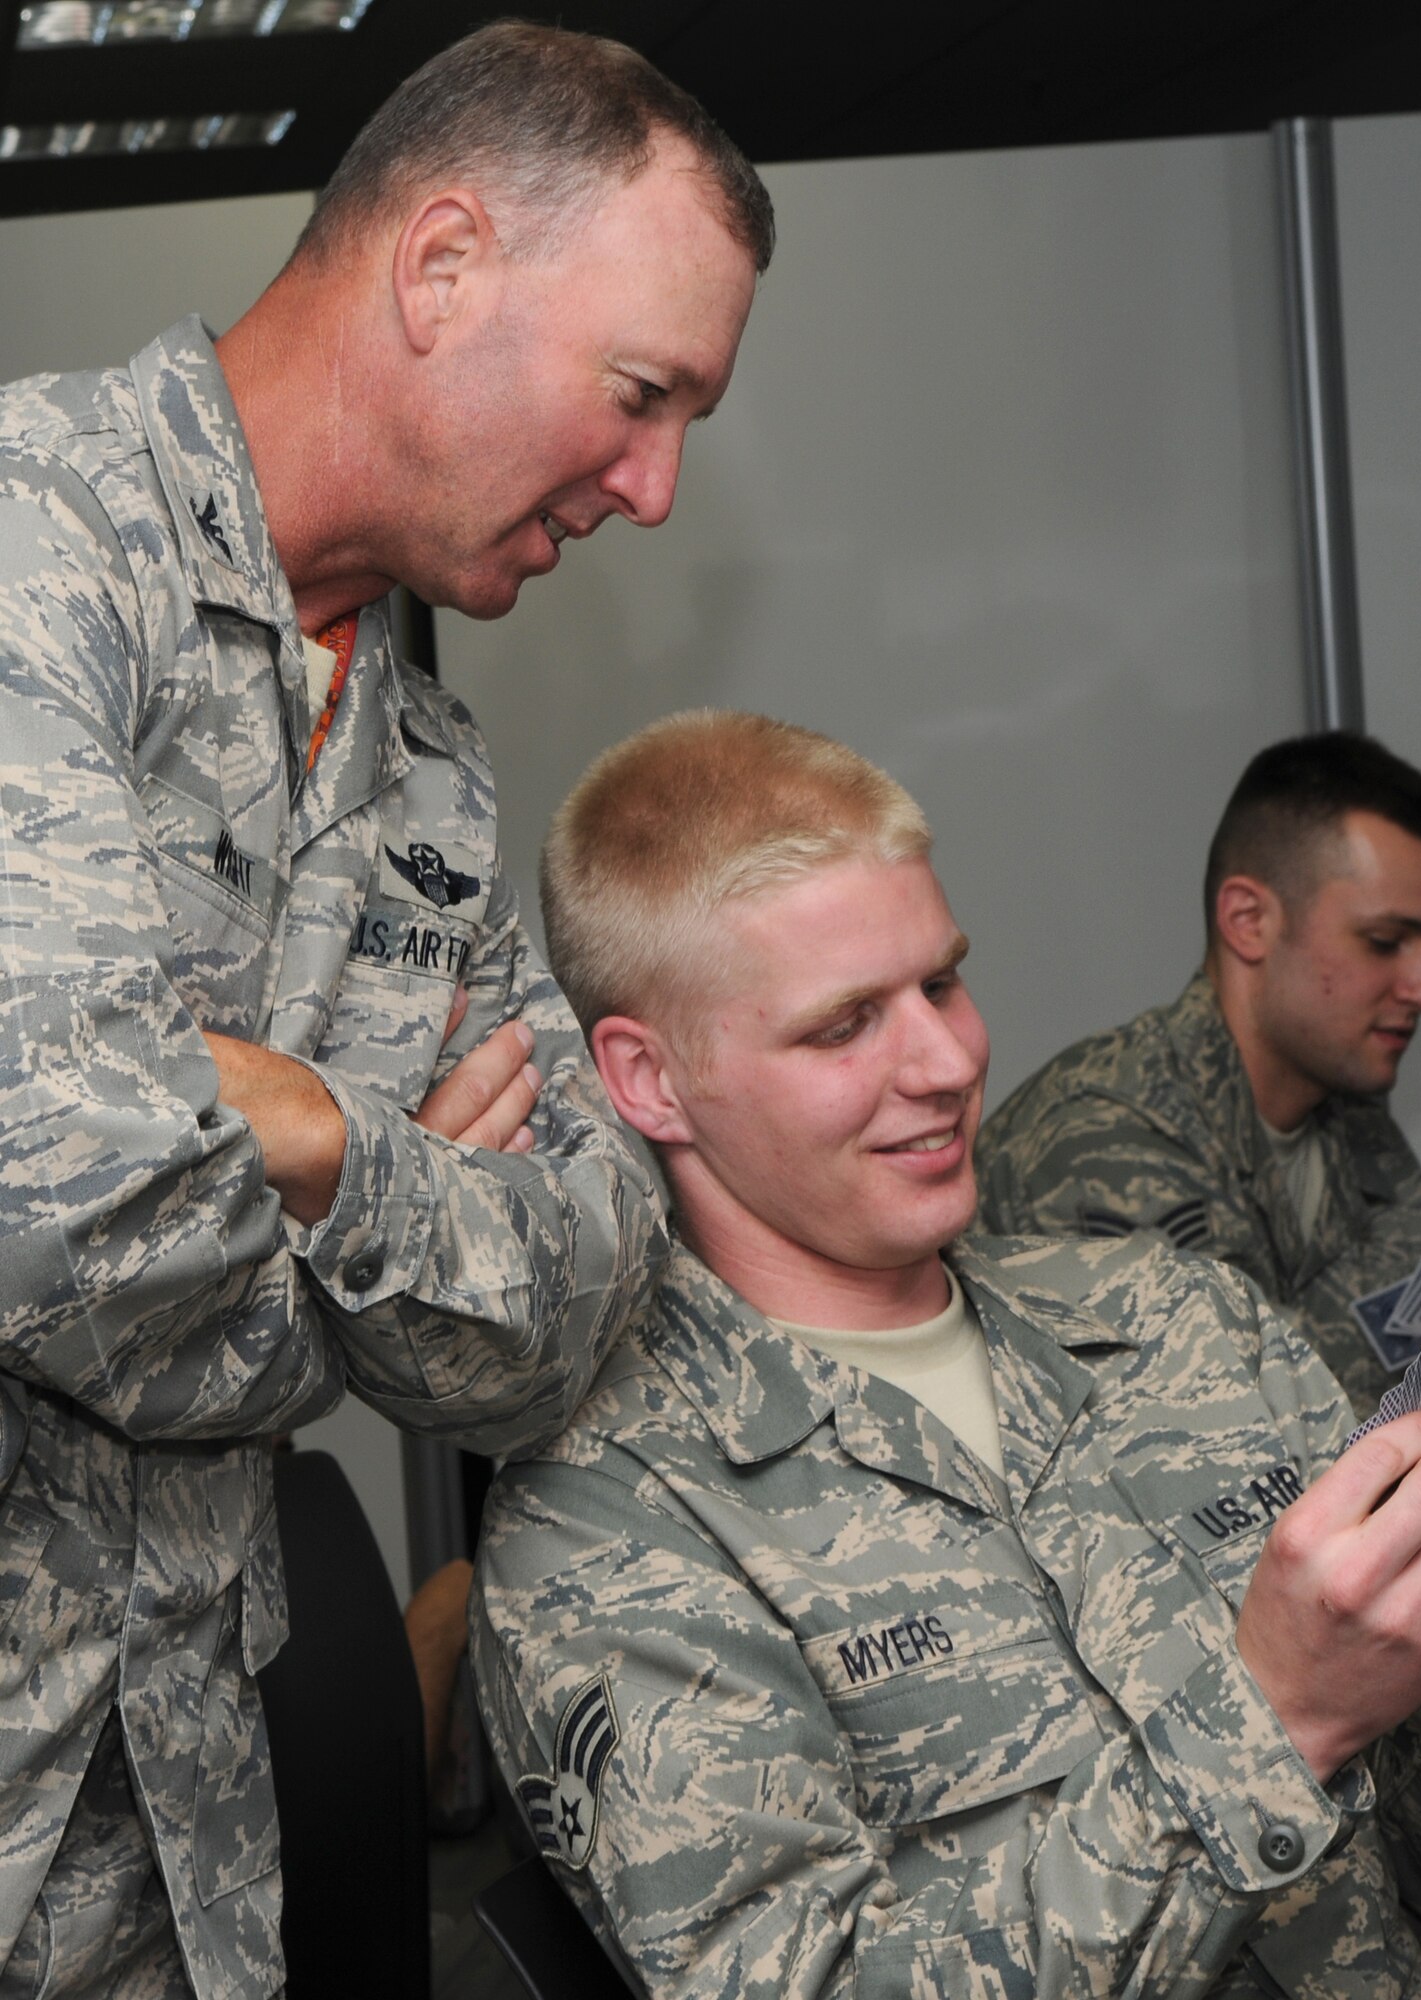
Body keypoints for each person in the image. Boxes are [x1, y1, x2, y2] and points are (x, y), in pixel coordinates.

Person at [0, 24, 772, 1997]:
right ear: (440, 267)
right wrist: (405, 1202)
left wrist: (320, 1141)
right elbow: (69, 1224)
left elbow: (571, 1304)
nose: (655, 489)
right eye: (640, 396)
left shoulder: (427, 771)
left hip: (182, 1857)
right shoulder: (34, 551)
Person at [472, 710, 1421, 1999]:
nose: (950, 1059)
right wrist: (1277, 1715)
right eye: (845, 1023)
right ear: (650, 1078)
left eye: (942, 982)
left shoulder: (1177, 1317)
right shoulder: (610, 1520)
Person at [977, 731, 1421, 1423]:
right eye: (1386, 943)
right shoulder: (1101, 1134)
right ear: (1249, 922)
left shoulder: (1366, 1140)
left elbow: (1385, 1384)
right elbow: (1197, 1446)